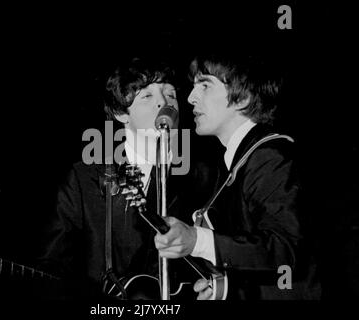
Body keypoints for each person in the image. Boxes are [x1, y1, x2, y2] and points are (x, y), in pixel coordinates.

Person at [154, 51, 321, 300]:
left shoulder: (270, 157)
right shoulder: (237, 161)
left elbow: (284, 251)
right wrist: (226, 289)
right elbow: (261, 264)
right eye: (193, 87)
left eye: (205, 85)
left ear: (241, 98)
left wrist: (197, 240)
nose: (190, 98)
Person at [34, 57, 191, 300]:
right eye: (146, 96)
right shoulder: (84, 178)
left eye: (170, 94)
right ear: (120, 113)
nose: (163, 101)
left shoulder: (207, 176)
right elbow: (52, 264)